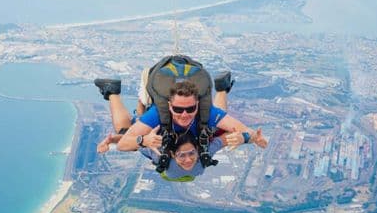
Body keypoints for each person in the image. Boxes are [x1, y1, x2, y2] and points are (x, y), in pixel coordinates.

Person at [94, 75, 268, 181]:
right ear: (169, 106)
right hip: (158, 133)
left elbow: (246, 131)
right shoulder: (158, 115)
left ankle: (222, 88)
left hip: (178, 136)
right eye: (178, 109)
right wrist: (143, 140)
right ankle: (112, 91)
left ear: (198, 104)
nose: (184, 114)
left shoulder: (205, 112)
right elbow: (125, 144)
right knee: (125, 130)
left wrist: (247, 137)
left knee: (219, 124)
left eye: (190, 109)